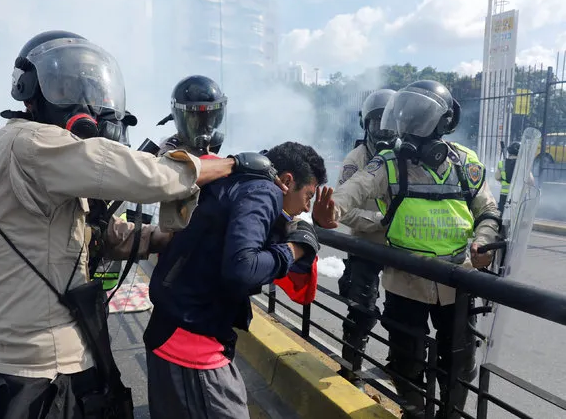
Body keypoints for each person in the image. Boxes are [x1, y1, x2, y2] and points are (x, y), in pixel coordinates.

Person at [0, 30, 282, 419]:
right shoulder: (34, 144)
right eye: (67, 88)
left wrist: (161, 239)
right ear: (32, 91)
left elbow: (95, 234)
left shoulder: (8, 149)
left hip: (12, 360)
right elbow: (154, 178)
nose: (86, 103)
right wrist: (234, 165)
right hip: (44, 368)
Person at [312, 80, 501, 419]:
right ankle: (414, 412)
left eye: (419, 119)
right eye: (406, 119)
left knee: (459, 362)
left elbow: (487, 210)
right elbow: (354, 190)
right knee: (405, 358)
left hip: (457, 280)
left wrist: (484, 241)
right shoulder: (387, 162)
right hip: (405, 280)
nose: (409, 129)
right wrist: (331, 210)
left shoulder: (466, 163)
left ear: (444, 122)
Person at [144, 141, 328, 419]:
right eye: (309, 195)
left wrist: (300, 228)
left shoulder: (238, 183)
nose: (306, 207)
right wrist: (296, 248)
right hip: (192, 346)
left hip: (172, 330)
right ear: (288, 181)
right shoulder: (263, 191)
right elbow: (244, 268)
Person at [335, 88, 397, 388]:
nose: (384, 132)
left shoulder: (406, 158)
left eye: (390, 125)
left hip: (400, 248)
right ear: (366, 125)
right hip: (365, 244)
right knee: (361, 312)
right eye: (377, 125)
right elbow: (341, 210)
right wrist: (377, 222)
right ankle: (351, 369)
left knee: (403, 317)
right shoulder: (356, 158)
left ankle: (399, 369)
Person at [495, 141, 520, 212]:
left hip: (504, 195)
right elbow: (530, 181)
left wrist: (503, 180)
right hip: (517, 195)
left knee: (502, 214)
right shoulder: (522, 165)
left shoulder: (502, 163)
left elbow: (497, 177)